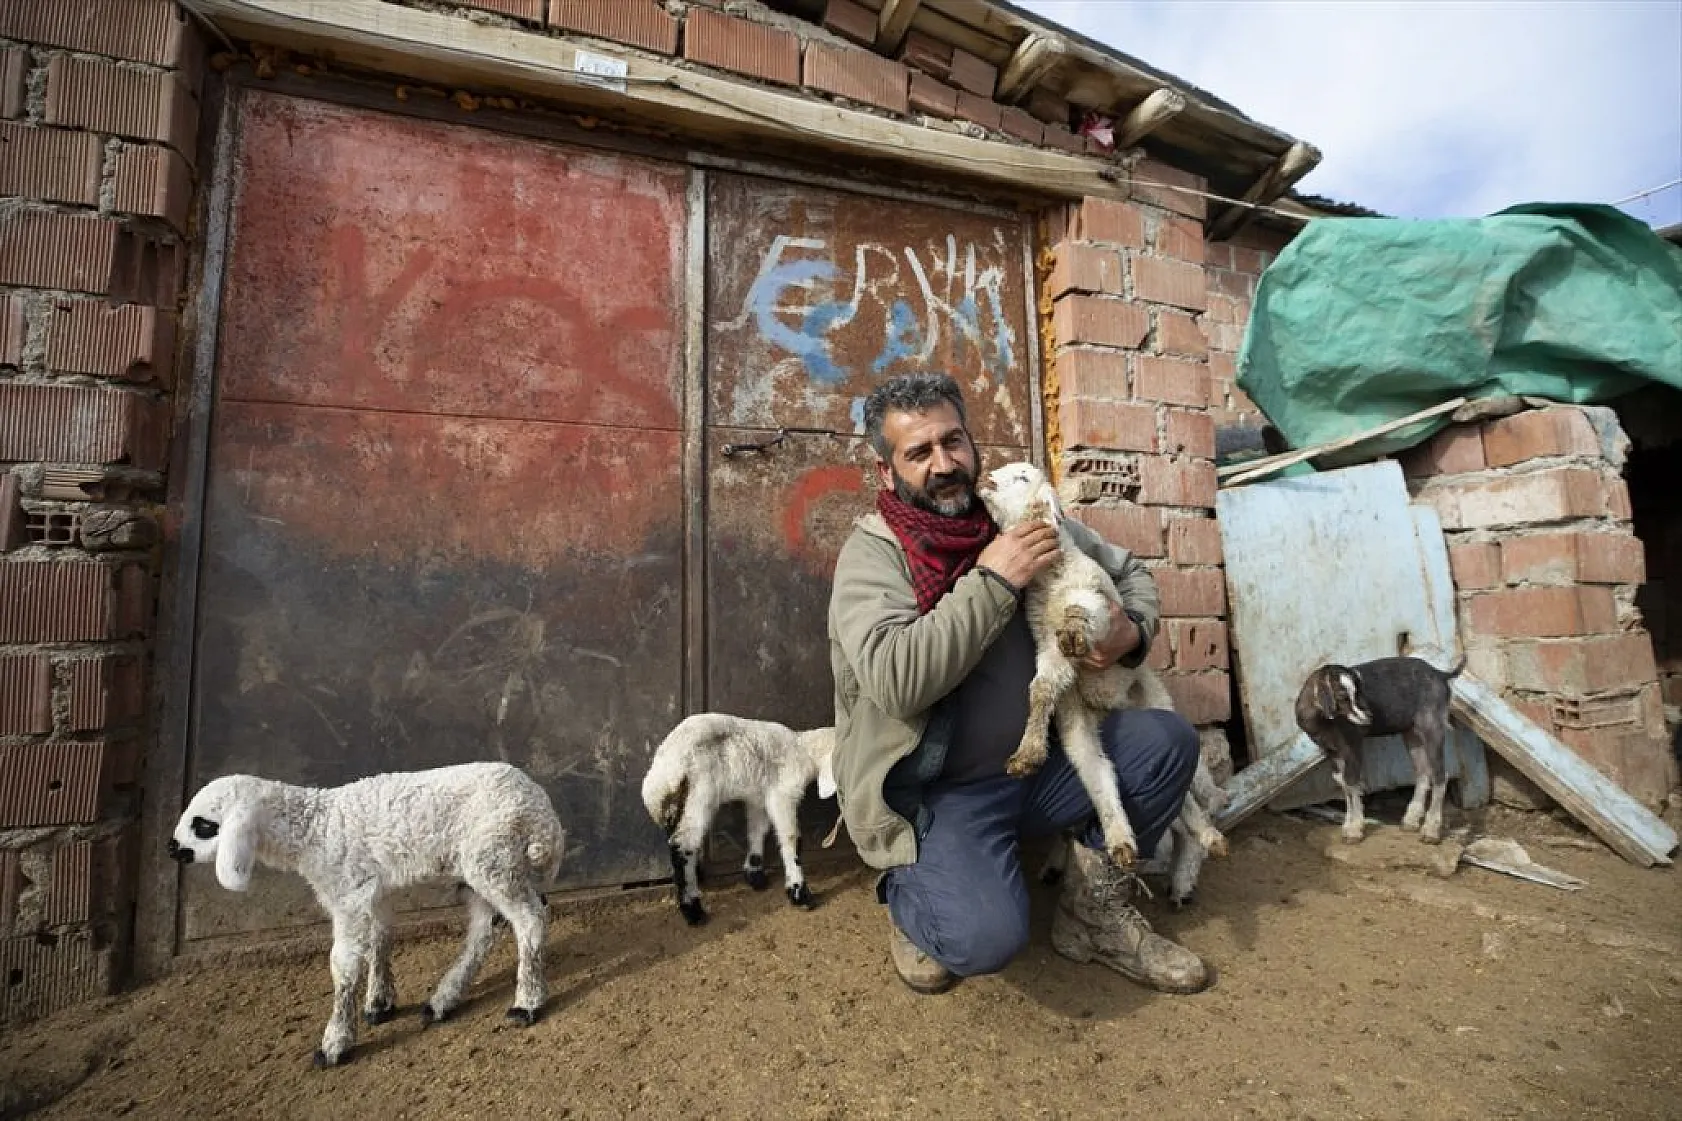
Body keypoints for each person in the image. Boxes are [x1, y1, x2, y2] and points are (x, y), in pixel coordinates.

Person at [825, 371, 1210, 996]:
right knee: (985, 939)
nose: (943, 464)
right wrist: (993, 581)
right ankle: (909, 894)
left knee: (1165, 744)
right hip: (940, 794)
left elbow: (1128, 569)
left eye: (953, 442)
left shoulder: (1014, 515)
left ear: (973, 446)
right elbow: (898, 682)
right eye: (918, 453)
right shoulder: (875, 556)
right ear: (885, 471)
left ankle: (1094, 919)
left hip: (1040, 769)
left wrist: (1129, 634)